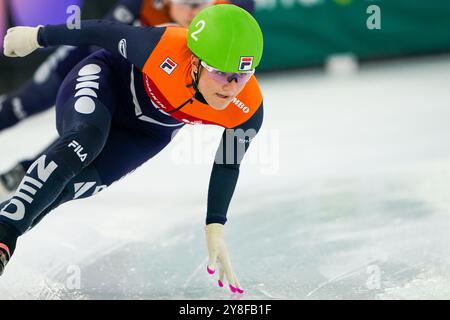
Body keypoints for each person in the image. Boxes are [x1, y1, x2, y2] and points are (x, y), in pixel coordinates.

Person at [0, 4, 264, 294]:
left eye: (243, 74)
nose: (230, 86)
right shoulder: (164, 47)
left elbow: (228, 163)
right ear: (195, 62)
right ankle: (5, 235)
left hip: (148, 131)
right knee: (85, 142)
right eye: (220, 72)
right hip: (106, 80)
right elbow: (102, 30)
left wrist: (216, 226)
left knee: (76, 185)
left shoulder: (247, 109)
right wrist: (38, 36)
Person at [0, 0, 255, 200]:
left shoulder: (236, 12)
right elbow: (102, 37)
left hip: (157, 72)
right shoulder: (140, 4)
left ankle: (27, 168)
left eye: (202, 4)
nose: (194, 12)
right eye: (185, 2)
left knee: (92, 133)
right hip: (108, 54)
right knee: (26, 103)